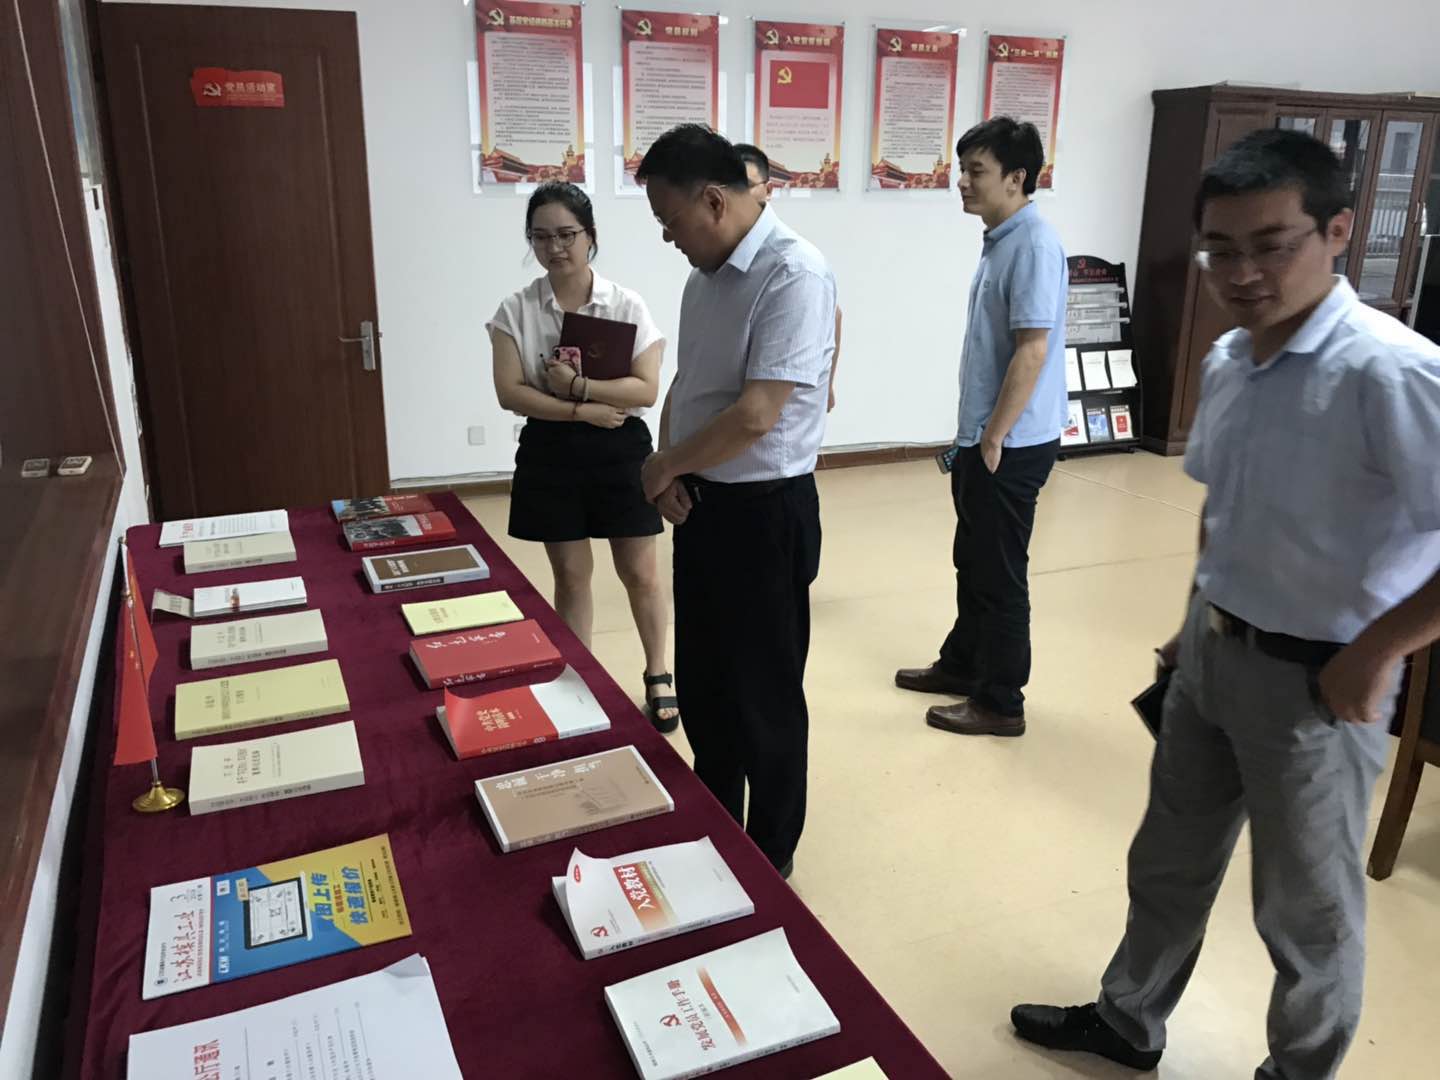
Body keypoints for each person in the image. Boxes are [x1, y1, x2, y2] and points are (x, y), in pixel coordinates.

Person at [1011, 129, 1440, 1079]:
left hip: (1321, 686)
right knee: (1169, 858)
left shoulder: (1395, 371)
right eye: (1220, 249)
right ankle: (1127, 1021)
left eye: (1271, 245)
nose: (1242, 273)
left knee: (1306, 912)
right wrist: (1189, 621)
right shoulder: (1232, 359)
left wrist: (1376, 655)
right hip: (1212, 654)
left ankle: (1298, 1072)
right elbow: (1224, 508)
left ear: (1338, 231)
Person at [635, 125, 836, 878]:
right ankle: (718, 827)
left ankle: (769, 855)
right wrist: (669, 472)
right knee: (708, 685)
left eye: (671, 220)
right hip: (704, 506)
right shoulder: (705, 277)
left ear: (714, 201)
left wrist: (664, 465)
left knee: (765, 697)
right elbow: (688, 389)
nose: (668, 238)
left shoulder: (793, 274)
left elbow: (757, 414)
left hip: (766, 514)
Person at [894, 117, 1068, 737]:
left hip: (1011, 442)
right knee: (973, 559)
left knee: (999, 574)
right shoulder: (1002, 238)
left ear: (1016, 178)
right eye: (962, 170)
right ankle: (964, 665)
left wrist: (993, 436)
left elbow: (1032, 350)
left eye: (976, 172)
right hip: (986, 436)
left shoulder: (1034, 246)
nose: (962, 182)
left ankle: (1001, 702)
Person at [487, 181, 679, 731]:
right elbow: (510, 393)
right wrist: (581, 411)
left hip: (620, 446)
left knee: (640, 572)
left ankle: (659, 673)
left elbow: (645, 389)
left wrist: (577, 388)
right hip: (552, 448)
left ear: (590, 236)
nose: (555, 247)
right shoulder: (515, 310)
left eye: (567, 235)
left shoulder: (625, 304)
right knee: (571, 576)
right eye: (541, 236)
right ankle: (581, 680)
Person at [735, 142, 842, 414]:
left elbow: (834, 314)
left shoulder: (794, 266)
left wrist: (827, 383)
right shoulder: (715, 258)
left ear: (768, 190)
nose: (738, 197)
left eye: (746, 186)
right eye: (731, 188)